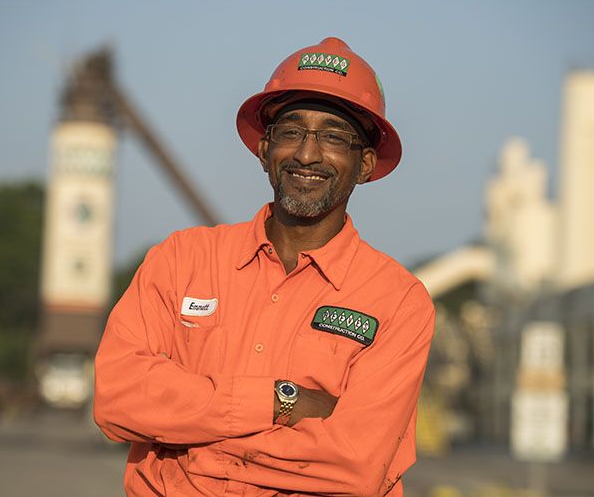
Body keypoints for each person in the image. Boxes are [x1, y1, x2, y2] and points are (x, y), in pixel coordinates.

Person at [94, 37, 435, 496]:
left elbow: (354, 466)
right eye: (291, 132)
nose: (307, 154)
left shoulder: (398, 302)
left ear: (366, 164)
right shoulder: (181, 261)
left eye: (334, 136)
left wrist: (190, 458)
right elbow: (118, 397)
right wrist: (280, 401)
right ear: (263, 150)